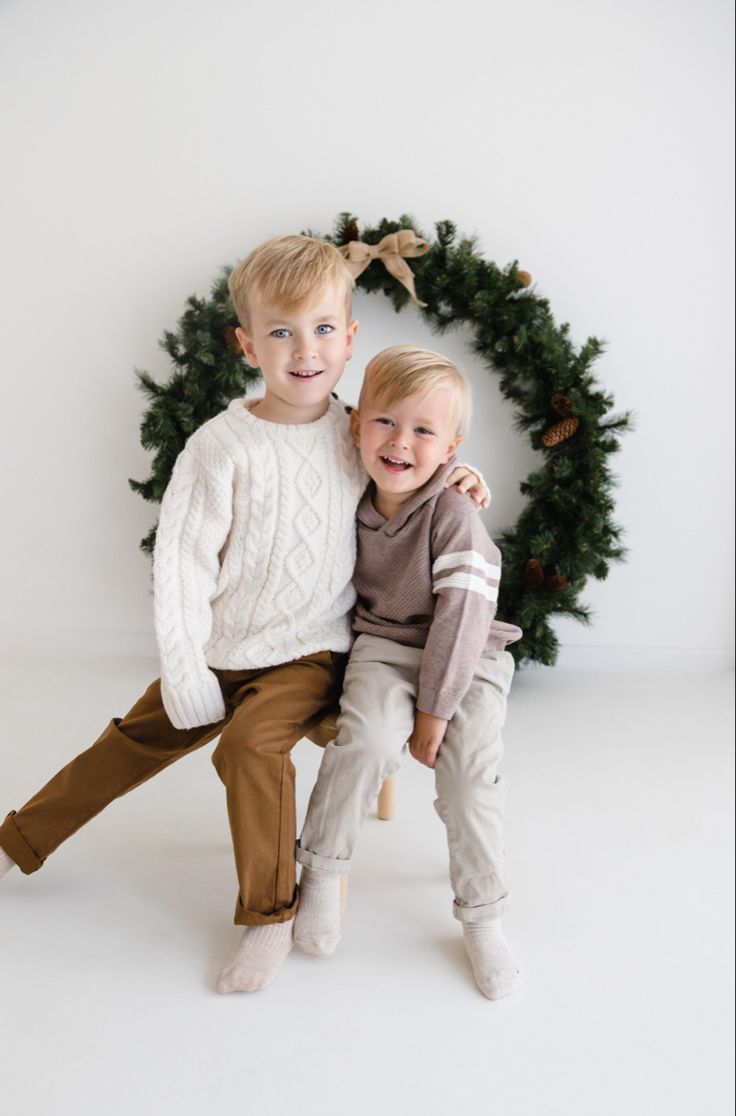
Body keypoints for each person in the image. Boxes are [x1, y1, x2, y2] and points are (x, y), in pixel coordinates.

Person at [0, 236, 487, 994]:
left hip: (310, 653)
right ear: (247, 343)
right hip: (222, 647)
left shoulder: (360, 431)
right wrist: (187, 665)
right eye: (282, 332)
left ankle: (268, 915)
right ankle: (17, 840)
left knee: (250, 748)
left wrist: (464, 471)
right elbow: (182, 564)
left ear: (350, 338)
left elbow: (414, 463)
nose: (305, 351)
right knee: (128, 742)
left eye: (324, 329)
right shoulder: (218, 448)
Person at [294, 344, 525, 1000]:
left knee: (469, 774)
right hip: (384, 646)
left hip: (468, 654)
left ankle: (483, 918)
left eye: (424, 431)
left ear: (450, 448)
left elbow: (463, 614)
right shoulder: (345, 486)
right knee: (362, 741)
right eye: (386, 422)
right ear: (355, 424)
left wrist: (436, 710)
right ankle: (323, 871)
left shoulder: (454, 510)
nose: (400, 443)